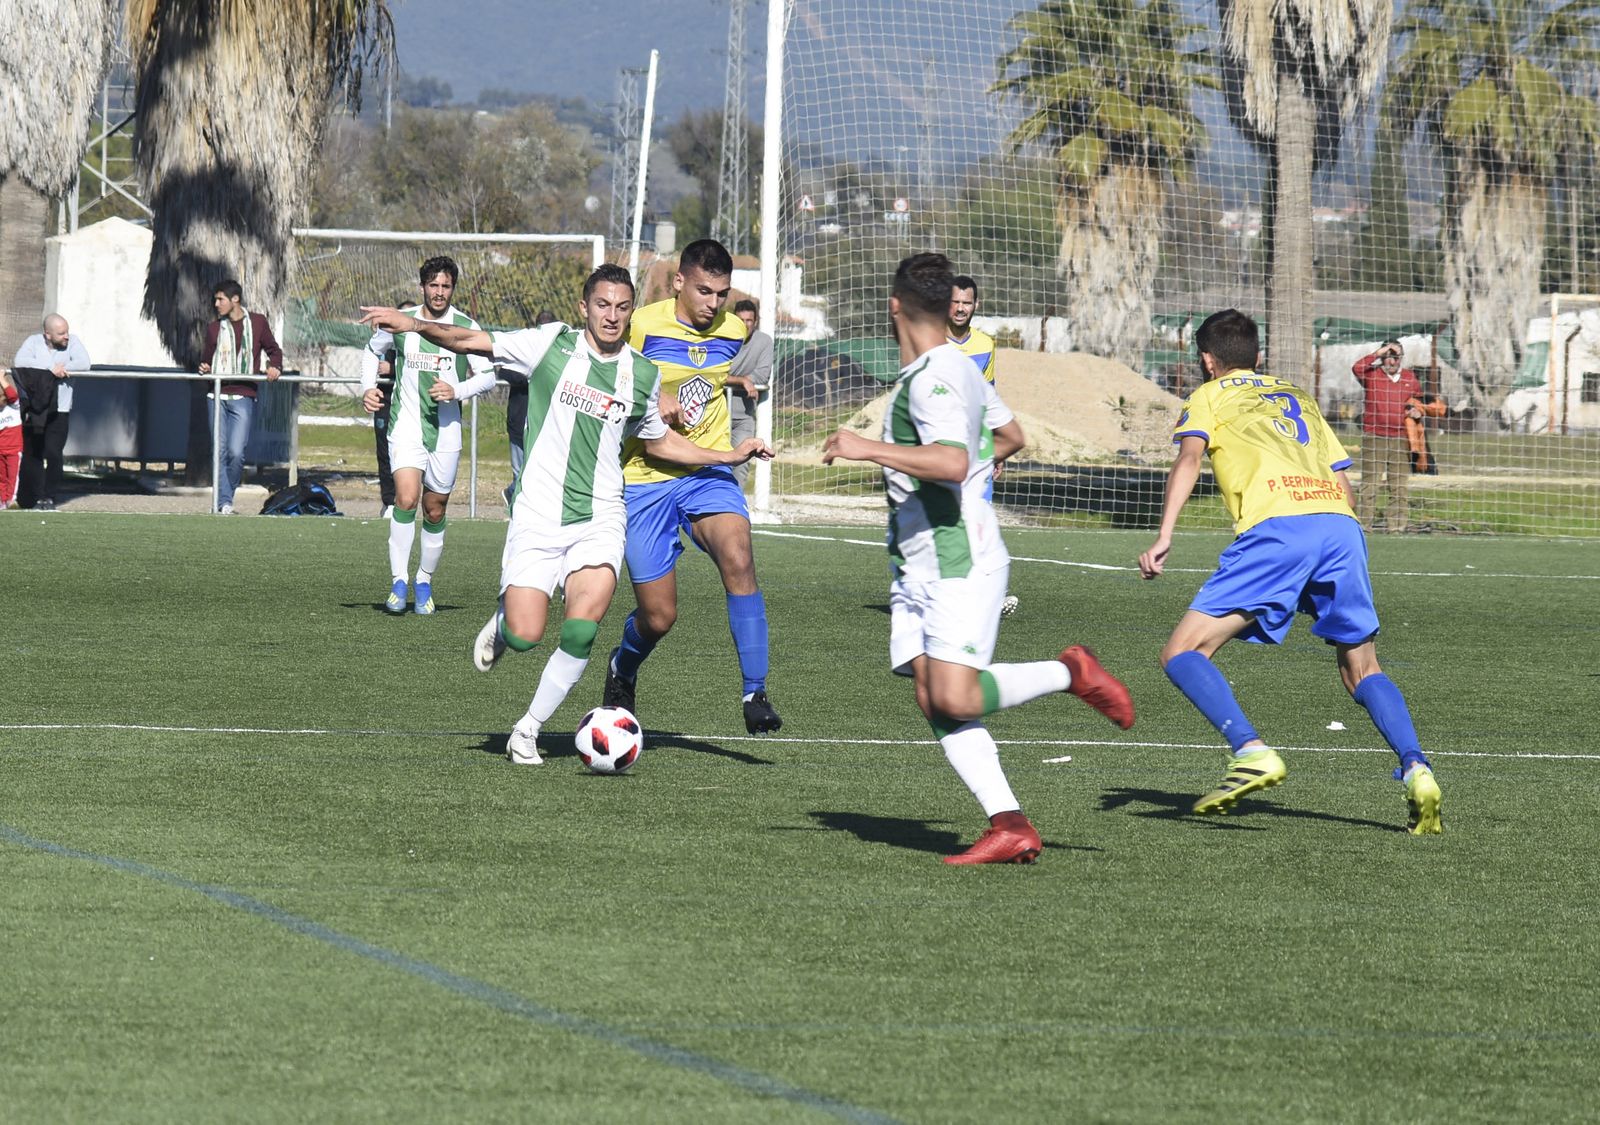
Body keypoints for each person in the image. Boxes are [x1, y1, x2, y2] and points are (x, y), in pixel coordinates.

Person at [360, 265, 773, 764]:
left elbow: (658, 439)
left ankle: (527, 730)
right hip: (538, 514)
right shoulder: (550, 345)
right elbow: (474, 340)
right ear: (584, 308)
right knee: (526, 635)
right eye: (603, 305)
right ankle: (505, 621)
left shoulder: (642, 374)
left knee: (581, 629)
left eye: (623, 306)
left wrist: (726, 456)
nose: (613, 316)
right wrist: (416, 326)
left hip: (601, 516)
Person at [822, 252, 1135, 865]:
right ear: (946, 307)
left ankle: (1070, 672)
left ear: (895, 307)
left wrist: (868, 449)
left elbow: (952, 463)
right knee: (928, 693)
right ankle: (1009, 823)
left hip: (956, 563)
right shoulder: (961, 369)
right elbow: (1010, 436)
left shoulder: (934, 379)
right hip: (918, 562)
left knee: (956, 698)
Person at [1137, 309, 1442, 835]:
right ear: (1257, 356)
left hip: (1278, 527)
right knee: (1362, 668)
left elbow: (1188, 460)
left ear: (1208, 361)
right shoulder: (1297, 395)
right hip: (1340, 527)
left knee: (1184, 651)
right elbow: (1341, 478)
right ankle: (1417, 767)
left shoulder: (1209, 396)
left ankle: (1251, 751)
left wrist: (1165, 534)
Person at [602, 238, 783, 734]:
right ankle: (623, 666)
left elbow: (708, 376)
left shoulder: (732, 331)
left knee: (739, 555)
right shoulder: (640, 324)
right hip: (645, 479)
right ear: (678, 282)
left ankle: (755, 691)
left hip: (706, 474)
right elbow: (608, 373)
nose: (713, 304)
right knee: (659, 617)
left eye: (722, 294)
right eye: (704, 291)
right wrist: (652, 393)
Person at [360, 257, 496, 615]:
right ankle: (398, 581)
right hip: (405, 427)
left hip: (447, 434)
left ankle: (423, 580)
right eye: (433, 285)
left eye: (445, 286)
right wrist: (367, 387)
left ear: (453, 289)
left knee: (434, 510)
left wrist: (457, 389)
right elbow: (371, 351)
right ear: (422, 287)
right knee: (405, 499)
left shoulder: (465, 326)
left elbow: (489, 375)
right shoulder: (402, 323)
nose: (439, 292)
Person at [198, 282, 282, 514]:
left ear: (235, 300)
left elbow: (274, 351)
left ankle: (226, 496)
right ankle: (224, 503)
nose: (216, 304)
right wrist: (204, 366)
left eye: (220, 299)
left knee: (236, 452)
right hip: (216, 395)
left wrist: (275, 366)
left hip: (243, 395)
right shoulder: (214, 328)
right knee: (219, 450)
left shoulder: (257, 322)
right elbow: (206, 358)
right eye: (215, 300)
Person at [1352, 340, 1443, 531]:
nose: (1391, 361)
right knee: (1370, 484)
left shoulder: (1410, 378)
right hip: (1374, 437)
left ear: (1402, 358)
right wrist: (1378, 352)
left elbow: (1418, 404)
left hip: (1401, 439)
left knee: (1399, 486)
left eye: (1396, 356)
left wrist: (1419, 413)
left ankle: (1397, 527)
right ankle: (1363, 526)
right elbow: (1357, 367)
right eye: (1388, 356)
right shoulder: (1371, 375)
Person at [13, 314, 91, 511]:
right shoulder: (33, 342)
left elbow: (84, 363)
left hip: (60, 409)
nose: (66, 336)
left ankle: (50, 496)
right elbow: (20, 361)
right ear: (47, 334)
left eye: (66, 331)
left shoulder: (73, 343)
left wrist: (63, 368)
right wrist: (50, 369)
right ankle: (36, 497)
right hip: (35, 409)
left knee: (54, 453)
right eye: (61, 333)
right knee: (33, 453)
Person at [501, 309, 554, 509]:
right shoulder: (524, 345)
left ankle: (520, 500)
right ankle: (516, 505)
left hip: (545, 423)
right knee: (519, 471)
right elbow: (505, 370)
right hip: (519, 418)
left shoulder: (558, 350)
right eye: (542, 325)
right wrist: (532, 374)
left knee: (539, 471)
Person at [726, 298, 771, 487]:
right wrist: (741, 380)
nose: (744, 325)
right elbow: (713, 374)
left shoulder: (764, 342)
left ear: (755, 321)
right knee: (710, 465)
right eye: (740, 320)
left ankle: (735, 510)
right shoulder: (722, 339)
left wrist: (731, 377)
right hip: (716, 413)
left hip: (744, 416)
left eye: (749, 321)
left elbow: (762, 376)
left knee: (741, 464)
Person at [947, 275, 996, 385]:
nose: (960, 309)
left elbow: (987, 393)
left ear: (976, 304)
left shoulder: (986, 345)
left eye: (966, 303)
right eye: (955, 302)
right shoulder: (932, 342)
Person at [0, 365, 20, 509]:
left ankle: (11, 499)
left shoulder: (14, 406)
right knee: (1, 477)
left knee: (12, 476)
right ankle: (2, 500)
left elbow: (12, 394)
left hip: (14, 450)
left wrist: (1, 378)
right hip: (1, 450)